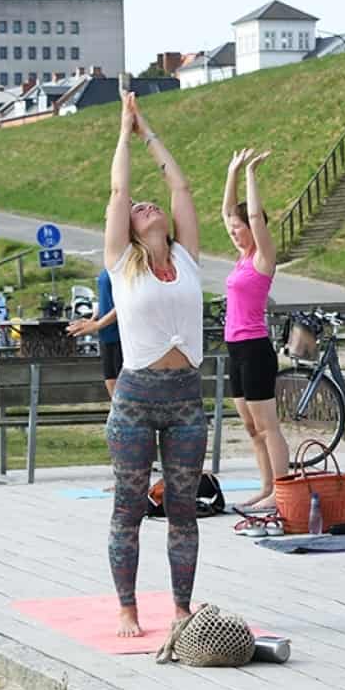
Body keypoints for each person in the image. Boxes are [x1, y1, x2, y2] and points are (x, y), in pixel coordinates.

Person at [101, 91, 208, 640]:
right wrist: (124, 130)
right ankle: (127, 607)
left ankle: (182, 606)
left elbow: (181, 187)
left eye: (151, 205)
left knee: (184, 508)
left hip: (187, 396)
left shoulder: (186, 256)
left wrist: (150, 134)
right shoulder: (122, 263)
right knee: (130, 506)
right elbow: (120, 189)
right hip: (138, 399)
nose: (146, 206)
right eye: (138, 209)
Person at [220, 147, 289, 512]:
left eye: (239, 229)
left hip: (255, 348)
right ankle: (266, 487)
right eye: (231, 230)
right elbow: (226, 211)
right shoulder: (240, 257)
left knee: (267, 426)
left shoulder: (262, 258)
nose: (233, 233)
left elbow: (256, 218)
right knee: (251, 428)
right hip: (234, 348)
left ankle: (282, 491)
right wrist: (231, 171)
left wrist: (250, 174)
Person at [66, 269, 122, 395]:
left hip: (122, 336)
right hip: (106, 335)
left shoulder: (127, 265)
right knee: (112, 385)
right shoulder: (108, 266)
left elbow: (124, 304)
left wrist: (96, 325)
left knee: (124, 391)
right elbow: (105, 298)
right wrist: (92, 320)